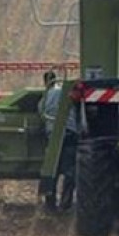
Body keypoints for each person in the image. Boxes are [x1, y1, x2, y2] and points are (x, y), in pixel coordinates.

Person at [39, 70, 79, 211]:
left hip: (53, 137)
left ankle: (50, 203)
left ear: (45, 82)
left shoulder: (43, 99)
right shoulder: (65, 92)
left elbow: (41, 115)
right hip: (70, 134)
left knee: (52, 170)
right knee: (70, 171)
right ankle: (66, 203)